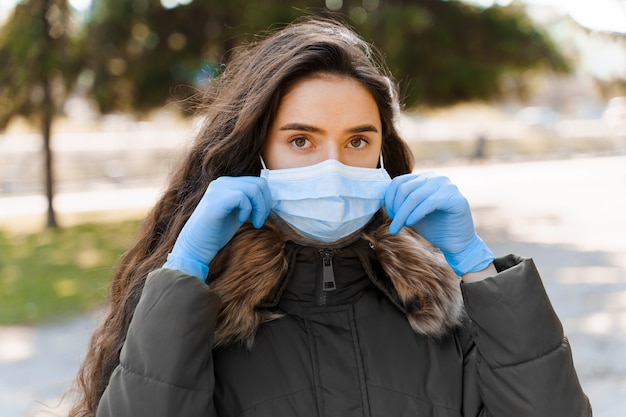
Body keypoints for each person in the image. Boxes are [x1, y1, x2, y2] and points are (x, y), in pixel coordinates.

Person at [69, 17, 591, 417]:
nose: (333, 167)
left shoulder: (441, 310)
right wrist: (184, 272)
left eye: (358, 140)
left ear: (384, 153)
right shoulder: (204, 321)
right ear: (256, 153)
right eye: (301, 140)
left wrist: (478, 268)